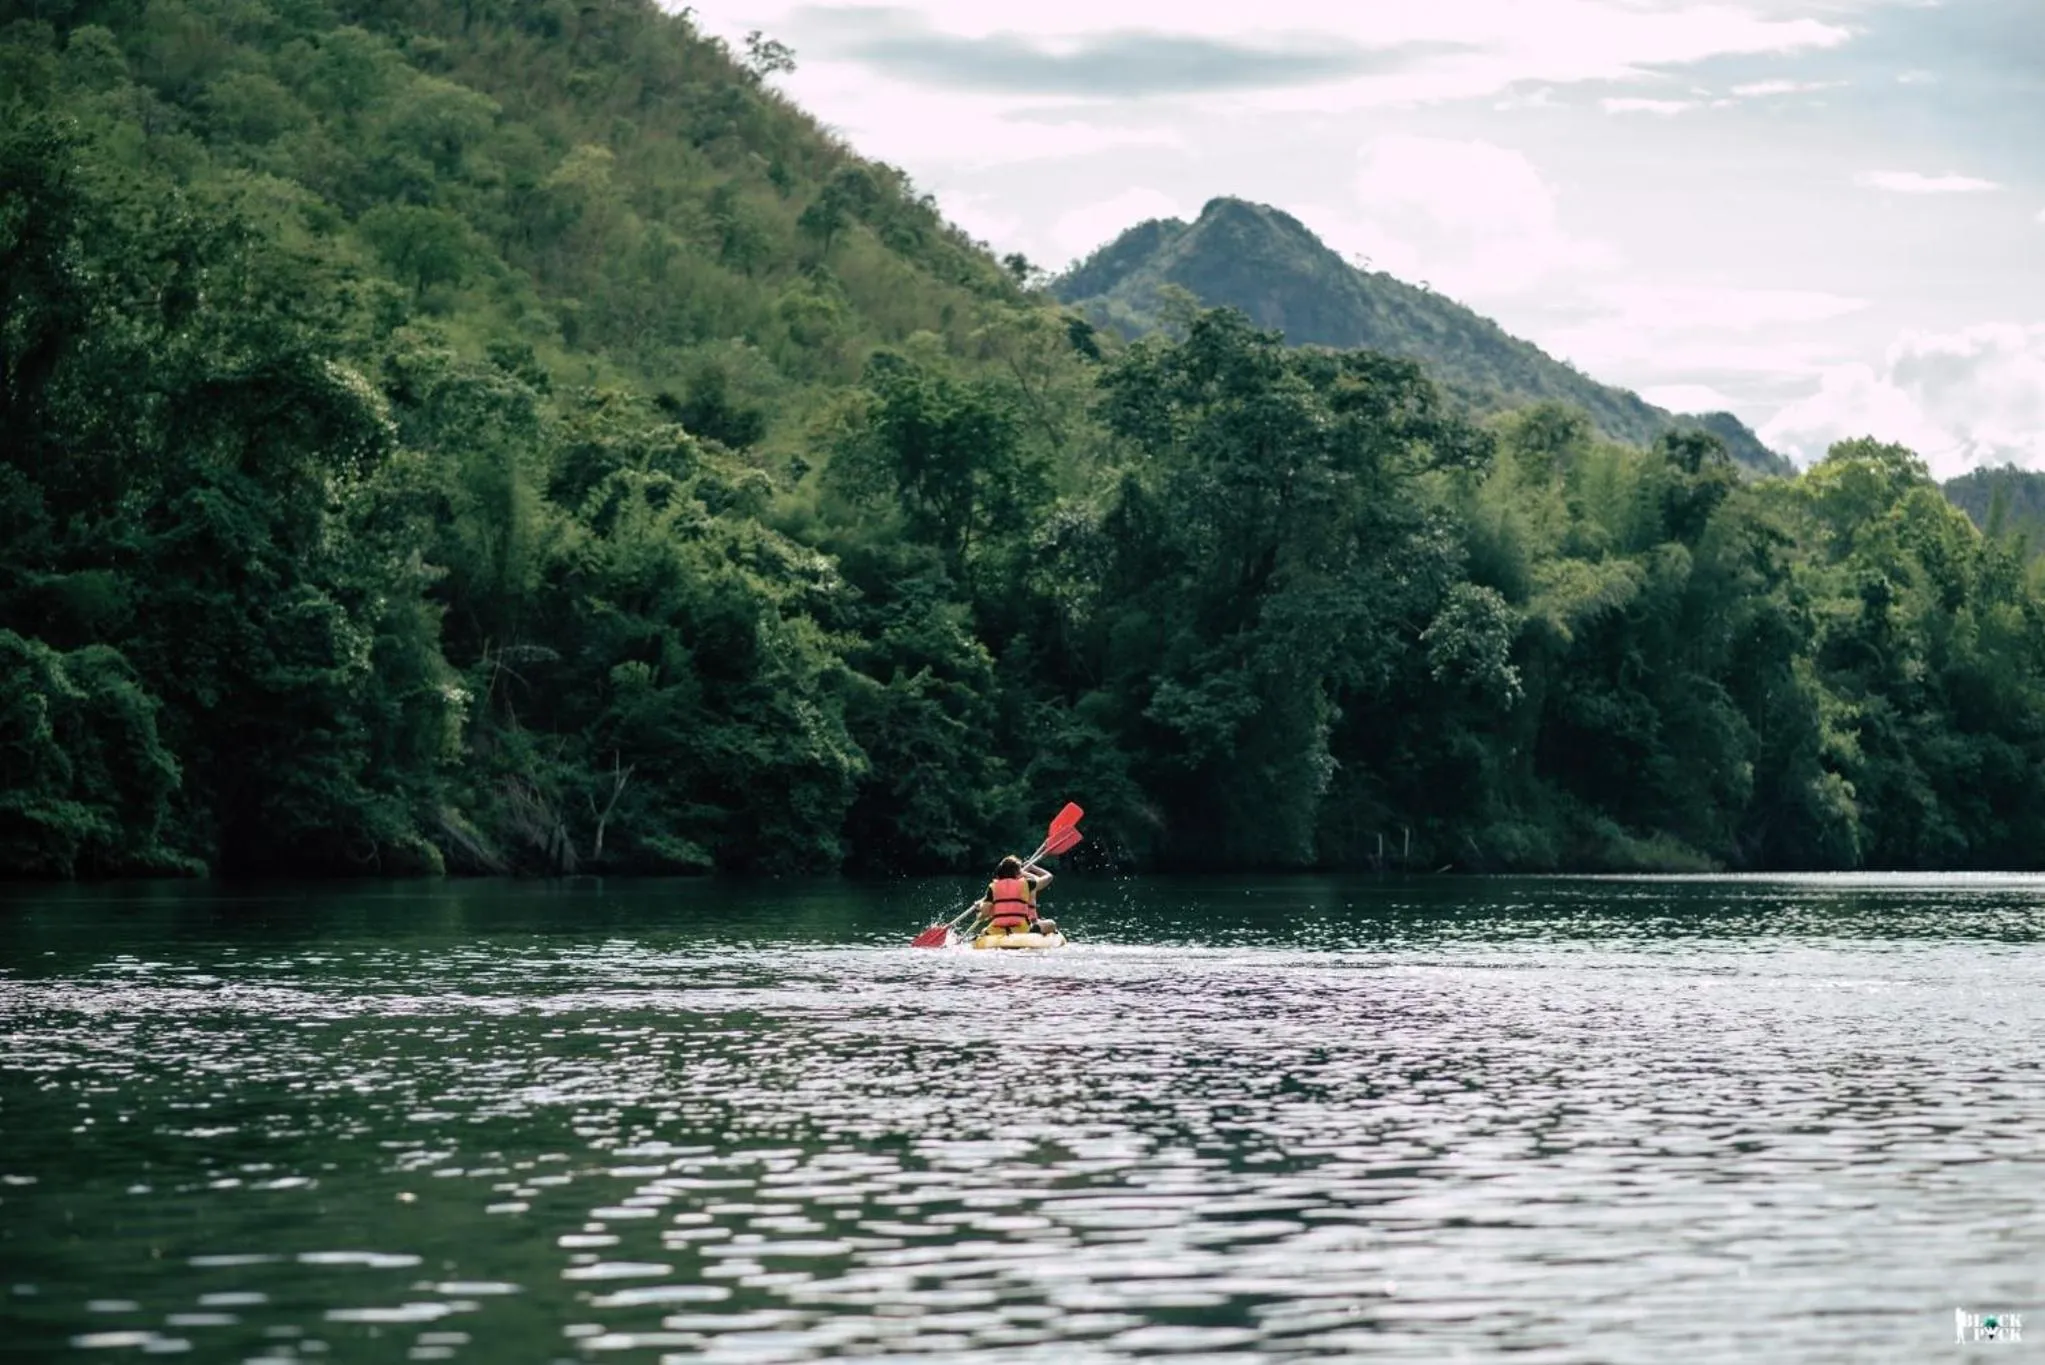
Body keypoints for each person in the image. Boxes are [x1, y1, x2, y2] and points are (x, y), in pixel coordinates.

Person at [972, 854, 1056, 935]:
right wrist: (1030, 869)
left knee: (984, 931)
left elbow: (985, 913)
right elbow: (1047, 878)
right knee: (1051, 923)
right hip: (1022, 930)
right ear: (1018, 873)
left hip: (996, 931)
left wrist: (980, 905)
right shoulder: (1027, 884)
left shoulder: (993, 887)